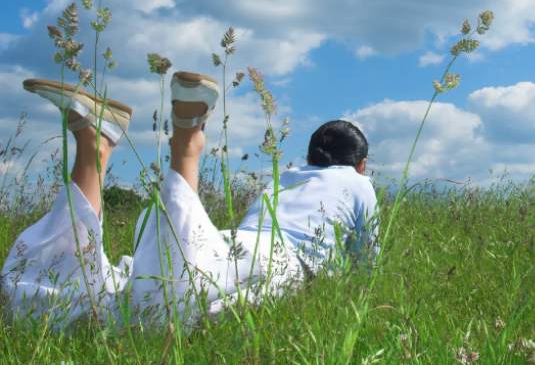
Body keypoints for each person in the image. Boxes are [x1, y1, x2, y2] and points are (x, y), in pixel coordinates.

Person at [1, 72, 378, 327]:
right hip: (282, 261)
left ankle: (95, 145)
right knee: (165, 308)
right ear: (361, 164)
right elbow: (366, 260)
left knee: (137, 283)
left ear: (312, 157)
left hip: (232, 240)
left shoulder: (288, 176)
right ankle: (187, 142)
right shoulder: (359, 183)